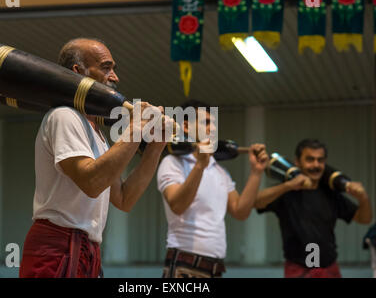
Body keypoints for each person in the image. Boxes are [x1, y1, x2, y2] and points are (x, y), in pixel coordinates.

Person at [19, 38, 173, 278]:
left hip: (87, 248)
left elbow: (124, 199)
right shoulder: (64, 116)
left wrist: (155, 147)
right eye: (106, 67)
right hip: (57, 246)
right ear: (78, 72)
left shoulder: (96, 131)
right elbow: (92, 183)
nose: (115, 77)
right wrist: (137, 125)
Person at [157, 100, 269, 278]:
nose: (214, 129)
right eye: (206, 122)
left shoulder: (220, 171)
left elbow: (240, 211)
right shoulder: (172, 163)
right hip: (184, 262)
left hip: (215, 266)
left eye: (214, 123)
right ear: (186, 126)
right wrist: (200, 165)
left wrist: (256, 172)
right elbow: (177, 205)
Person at [255, 138, 373, 278]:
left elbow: (364, 219)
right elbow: (256, 202)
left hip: (328, 268)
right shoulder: (286, 191)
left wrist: (363, 198)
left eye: (320, 160)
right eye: (310, 159)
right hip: (299, 269)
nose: (316, 165)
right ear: (297, 162)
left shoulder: (331, 192)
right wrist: (288, 185)